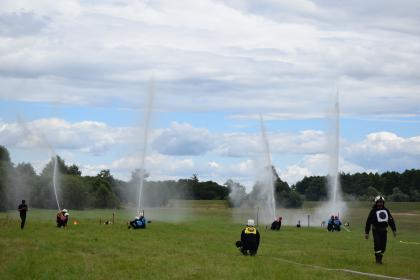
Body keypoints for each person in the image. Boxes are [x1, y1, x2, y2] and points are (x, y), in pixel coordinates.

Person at [365, 196, 397, 264]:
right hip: (376, 230)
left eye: (381, 202)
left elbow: (391, 220)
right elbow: (368, 222)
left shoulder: (386, 210)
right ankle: (377, 260)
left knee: (383, 247)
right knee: (377, 245)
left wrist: (394, 230)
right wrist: (367, 232)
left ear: (383, 203)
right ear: (376, 203)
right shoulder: (373, 211)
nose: (380, 203)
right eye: (379, 202)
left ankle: (380, 259)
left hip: (384, 231)